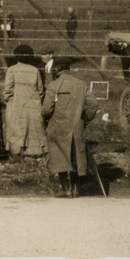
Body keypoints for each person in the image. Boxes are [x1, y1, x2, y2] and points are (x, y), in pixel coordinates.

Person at [42, 57, 98, 197]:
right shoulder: (81, 84)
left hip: (58, 128)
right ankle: (76, 189)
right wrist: (83, 120)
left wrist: (47, 120)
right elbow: (93, 105)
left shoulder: (53, 86)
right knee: (75, 158)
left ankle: (66, 190)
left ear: (58, 69)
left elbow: (46, 110)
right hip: (76, 127)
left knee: (60, 158)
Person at [1, 44, 47, 160]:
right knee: (33, 128)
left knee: (16, 127)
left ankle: (16, 153)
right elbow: (40, 90)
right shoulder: (35, 70)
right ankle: (32, 154)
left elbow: (8, 90)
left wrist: (8, 100)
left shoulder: (11, 70)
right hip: (33, 104)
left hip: (16, 103)